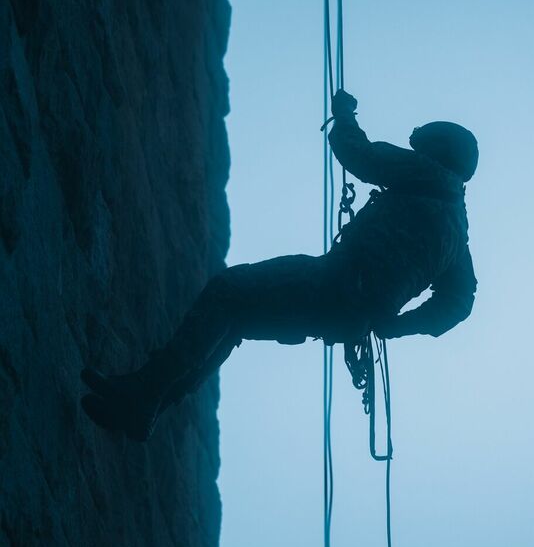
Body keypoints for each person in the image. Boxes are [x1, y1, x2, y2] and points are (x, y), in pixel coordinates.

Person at [81, 90, 478, 441]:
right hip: (349, 319)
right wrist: (394, 324)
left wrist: (344, 116)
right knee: (238, 319)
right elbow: (458, 302)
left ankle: (145, 393)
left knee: (229, 292)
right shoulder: (457, 236)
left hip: (333, 283)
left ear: (437, 150)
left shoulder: (428, 174)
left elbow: (361, 156)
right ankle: (148, 405)